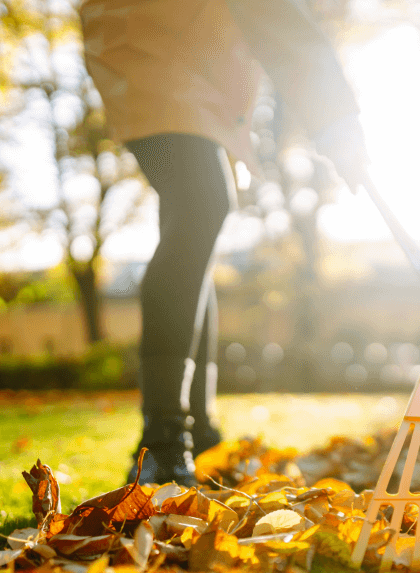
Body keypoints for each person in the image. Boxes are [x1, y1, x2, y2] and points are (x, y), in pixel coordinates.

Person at [78, 0, 369, 484]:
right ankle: (163, 441)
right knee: (201, 205)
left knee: (195, 221)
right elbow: (281, 21)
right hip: (148, 37)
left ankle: (199, 432)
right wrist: (337, 120)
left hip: (189, 53)